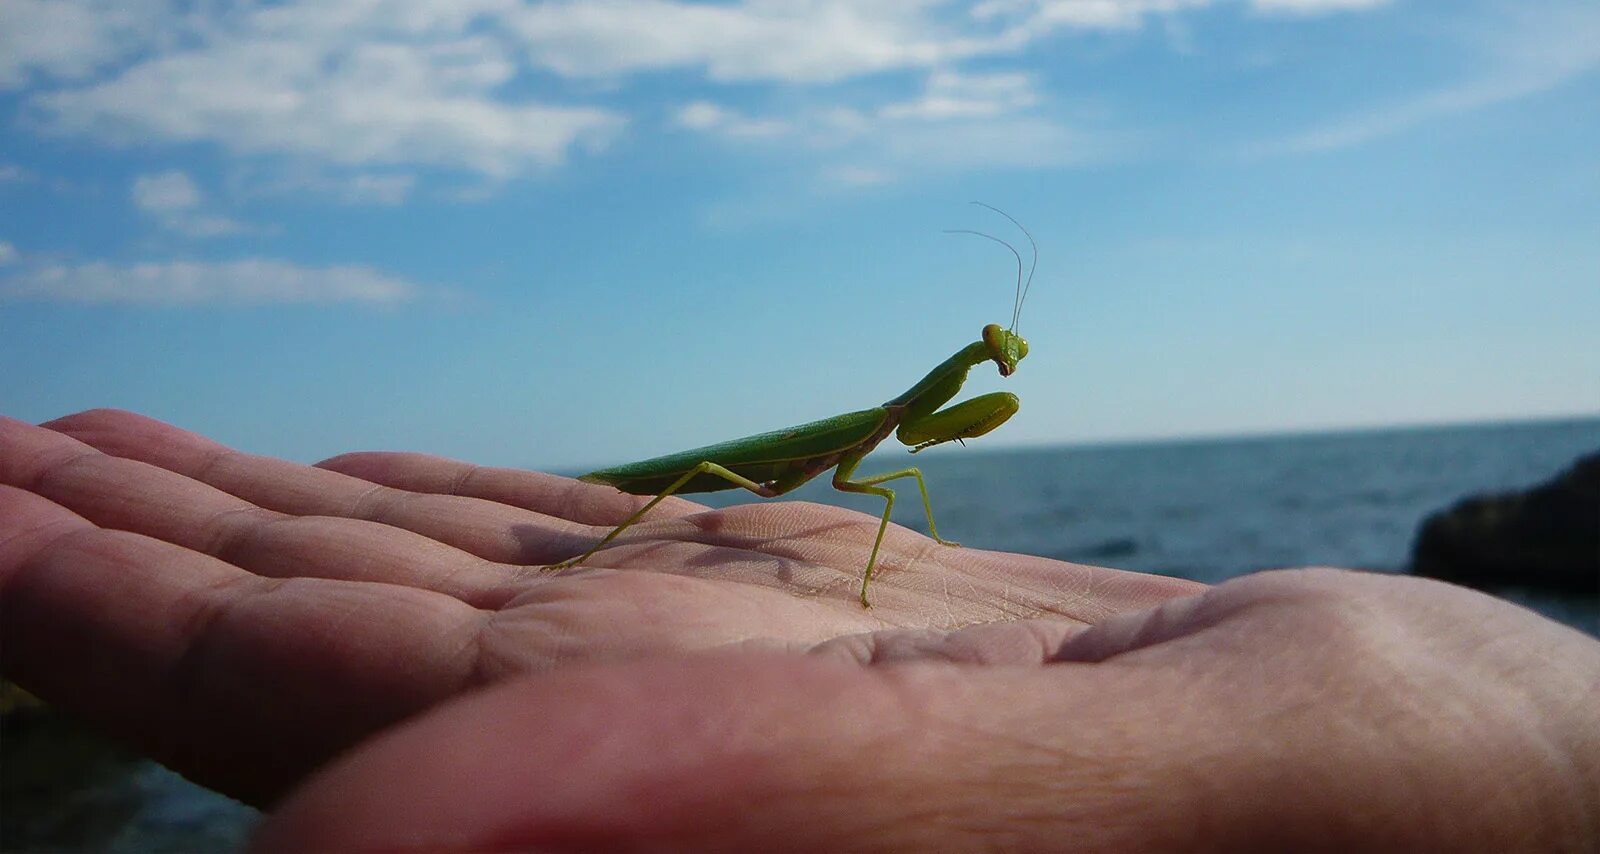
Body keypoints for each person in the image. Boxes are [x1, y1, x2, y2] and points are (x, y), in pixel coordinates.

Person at [1, 410, 1595, 851]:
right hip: (688, 492)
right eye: (991, 350)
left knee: (879, 495)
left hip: (784, 498)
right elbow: (851, 468)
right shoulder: (876, 433)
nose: (1009, 361)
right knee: (727, 490)